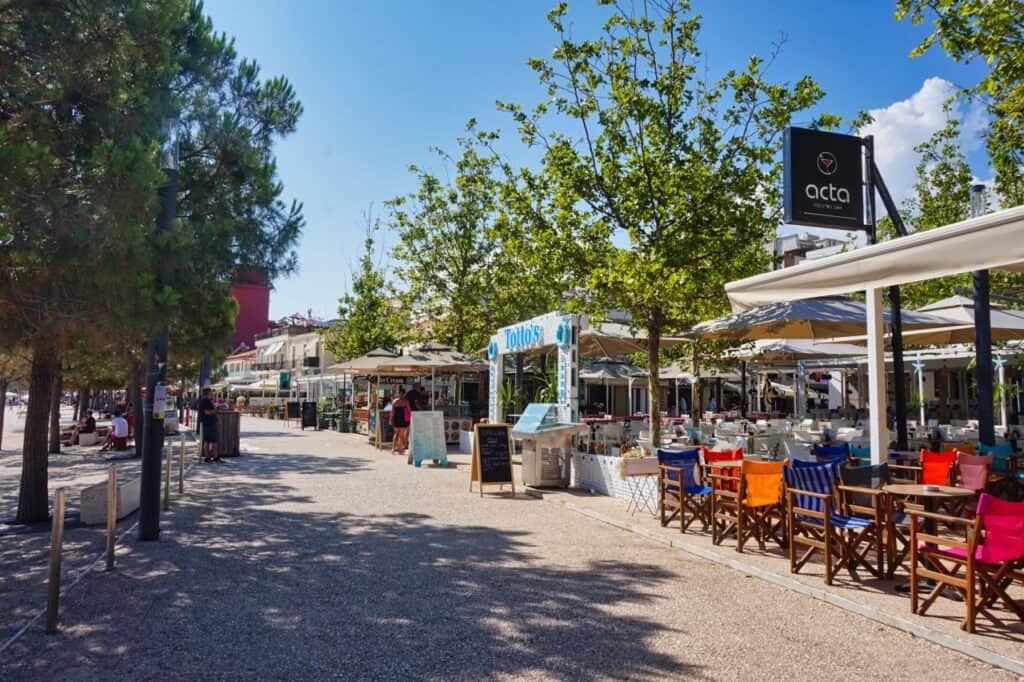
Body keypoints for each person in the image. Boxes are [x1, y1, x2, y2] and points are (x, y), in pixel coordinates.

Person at [199, 387, 220, 462]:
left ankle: (208, 457)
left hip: (207, 423)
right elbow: (207, 412)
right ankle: (215, 457)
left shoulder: (205, 400)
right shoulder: (206, 401)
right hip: (209, 423)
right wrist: (215, 410)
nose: (212, 393)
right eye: (211, 392)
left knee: (207, 441)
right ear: (208, 393)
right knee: (213, 441)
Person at [390, 389, 411, 455]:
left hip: (396, 419)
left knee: (396, 434)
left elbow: (392, 412)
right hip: (403, 419)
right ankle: (400, 450)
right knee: (401, 435)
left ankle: (393, 449)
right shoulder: (406, 402)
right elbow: (409, 411)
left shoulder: (394, 401)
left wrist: (391, 419)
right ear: (404, 394)